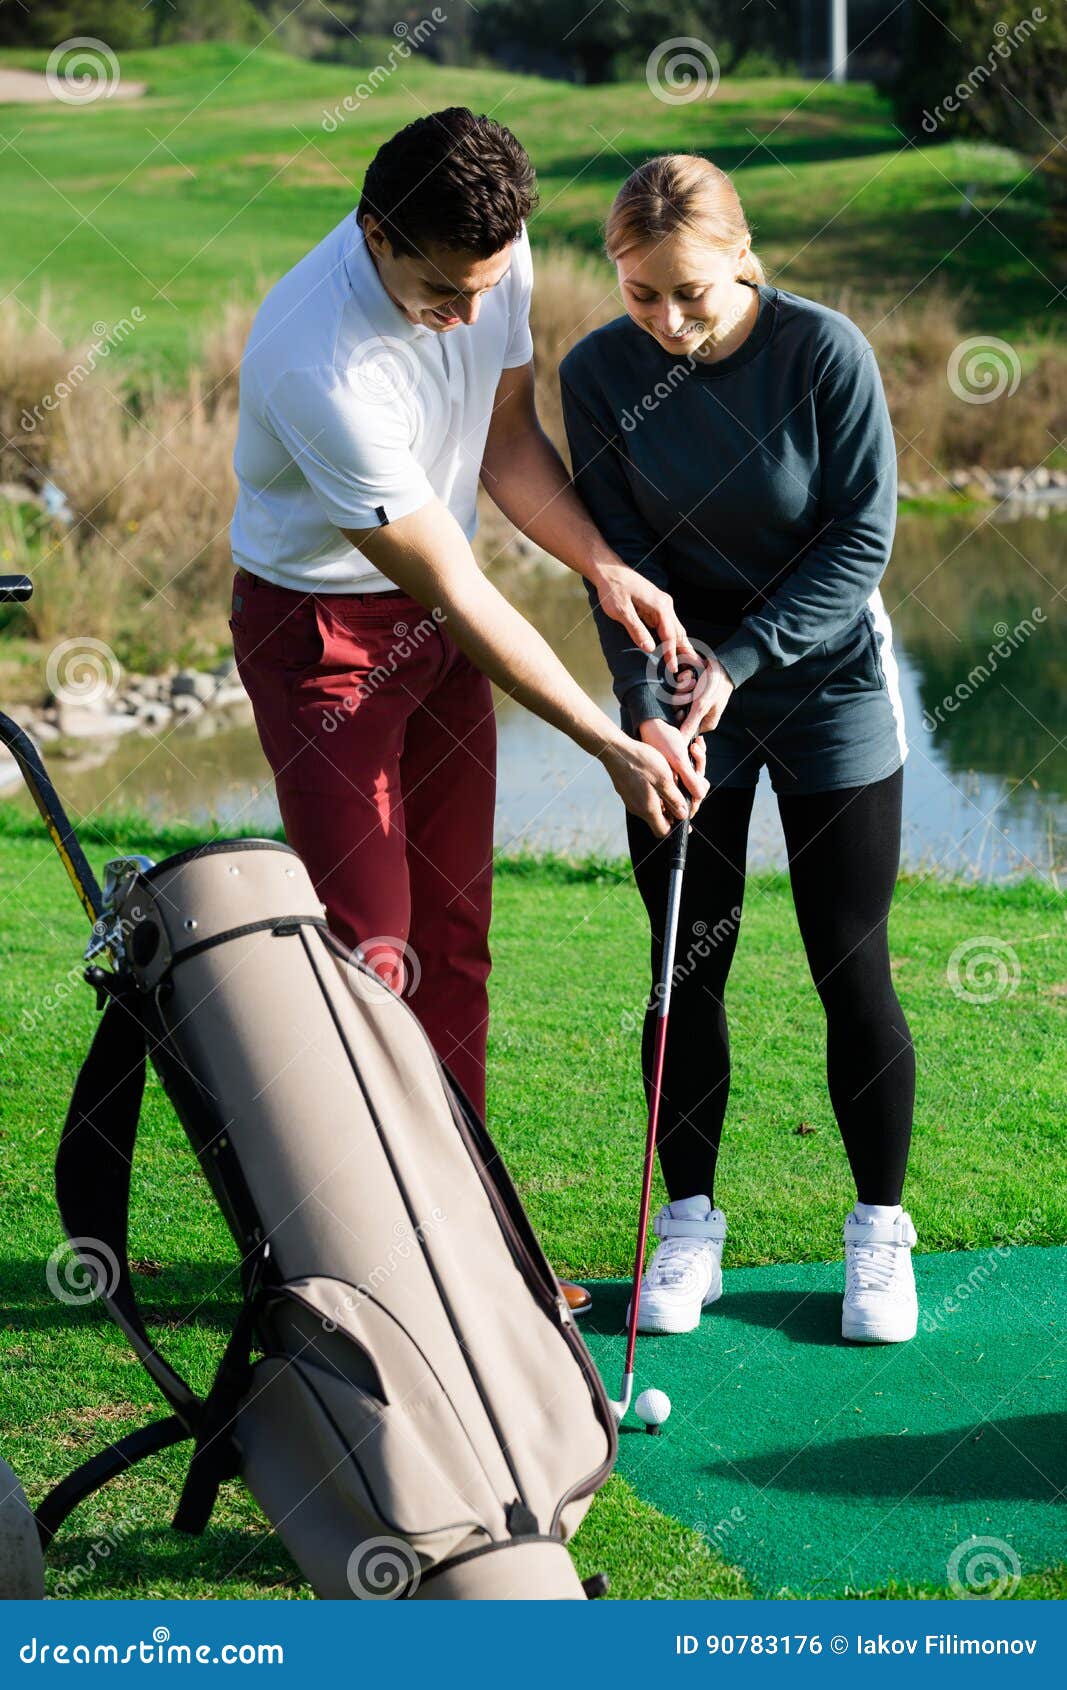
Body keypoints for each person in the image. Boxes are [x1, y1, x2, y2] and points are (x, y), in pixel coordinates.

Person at [228, 111, 707, 1316]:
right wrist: (603, 738)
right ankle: (356, 1260)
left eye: (480, 290)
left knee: (454, 937)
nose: (462, 313)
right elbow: (454, 578)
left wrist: (600, 562)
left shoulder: (492, 256)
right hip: (322, 640)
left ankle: (471, 1242)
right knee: (370, 943)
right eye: (439, 292)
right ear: (375, 231)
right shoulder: (313, 359)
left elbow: (501, 444)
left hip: (440, 633)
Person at [559, 155, 918, 1345]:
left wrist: (741, 656)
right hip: (674, 694)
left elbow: (859, 538)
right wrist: (644, 709)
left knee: (846, 967)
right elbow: (609, 559)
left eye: (691, 295)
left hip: (823, 689)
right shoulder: (595, 372)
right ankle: (691, 1230)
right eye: (639, 293)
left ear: (744, 261)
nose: (664, 321)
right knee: (680, 966)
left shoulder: (822, 353)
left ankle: (877, 1235)